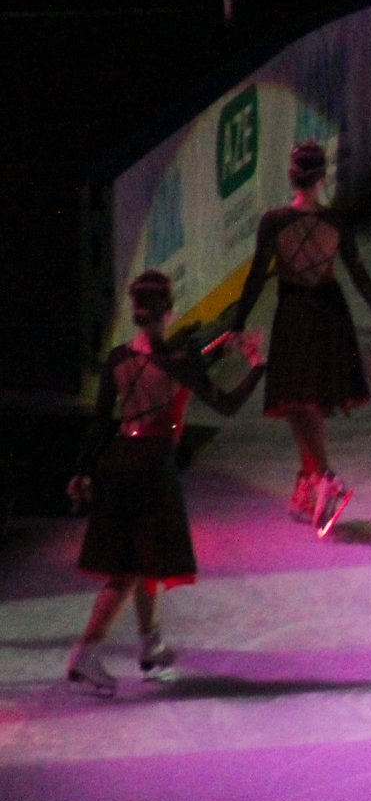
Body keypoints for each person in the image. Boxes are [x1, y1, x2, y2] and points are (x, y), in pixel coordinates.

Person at [65, 271, 266, 696]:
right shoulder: (179, 363)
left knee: (145, 560)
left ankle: (151, 648)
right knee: (128, 571)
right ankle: (85, 654)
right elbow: (226, 405)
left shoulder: (118, 359)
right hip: (152, 470)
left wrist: (81, 471)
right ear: (169, 311)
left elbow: (102, 422)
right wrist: (256, 366)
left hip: (118, 461)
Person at [225, 141, 371, 536]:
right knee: (301, 403)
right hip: (330, 313)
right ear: (323, 178)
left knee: (300, 400)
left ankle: (324, 477)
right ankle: (311, 477)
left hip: (295, 313)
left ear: (292, 176)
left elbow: (257, 276)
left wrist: (238, 324)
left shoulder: (274, 222)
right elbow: (358, 271)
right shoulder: (336, 222)